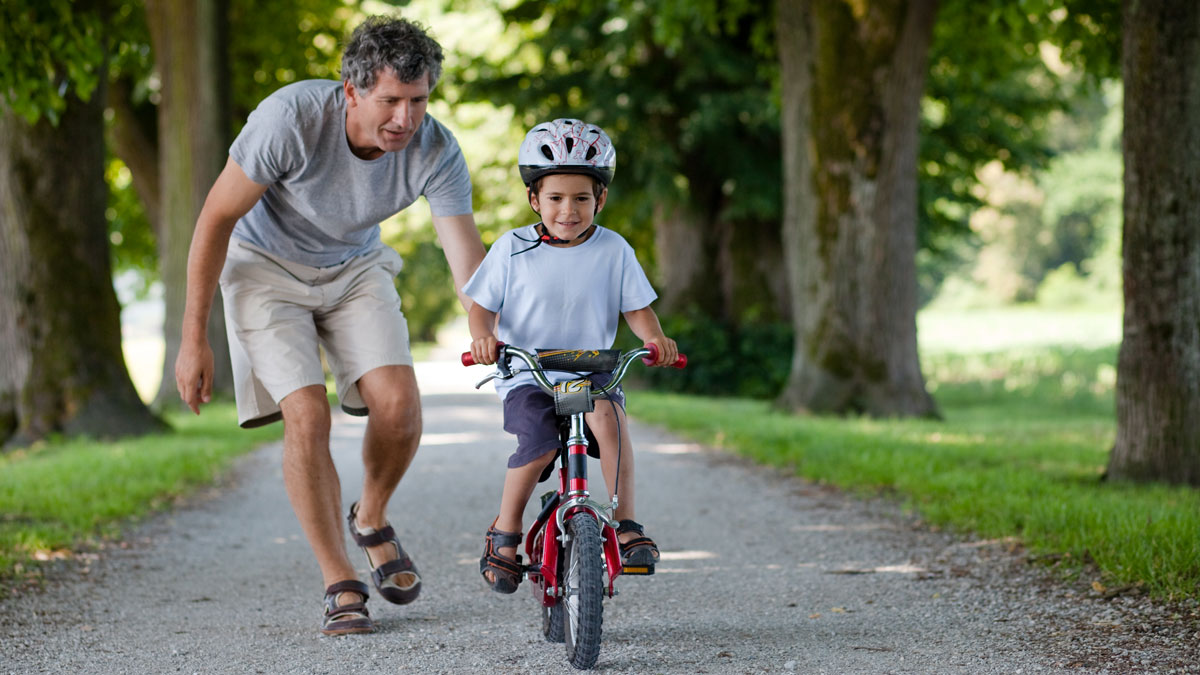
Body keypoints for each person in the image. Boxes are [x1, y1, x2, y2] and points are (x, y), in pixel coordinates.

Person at [173, 16, 485, 636]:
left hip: (353, 268)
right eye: (390, 101)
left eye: (418, 100)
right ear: (351, 90)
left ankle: (370, 518)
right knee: (307, 414)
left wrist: (485, 330)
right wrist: (192, 338)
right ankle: (339, 578)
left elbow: (465, 255)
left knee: (398, 405)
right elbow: (214, 220)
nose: (405, 118)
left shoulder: (436, 149)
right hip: (264, 270)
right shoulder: (289, 119)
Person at [464, 118, 678, 594]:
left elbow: (639, 311)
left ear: (599, 200)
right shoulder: (512, 248)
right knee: (537, 443)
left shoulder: (614, 249)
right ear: (534, 200)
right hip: (528, 371)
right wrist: (482, 338)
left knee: (611, 421)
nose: (568, 210)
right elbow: (481, 310)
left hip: (592, 370)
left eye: (582, 198)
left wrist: (656, 340)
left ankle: (626, 524)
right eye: (556, 198)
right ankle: (506, 531)